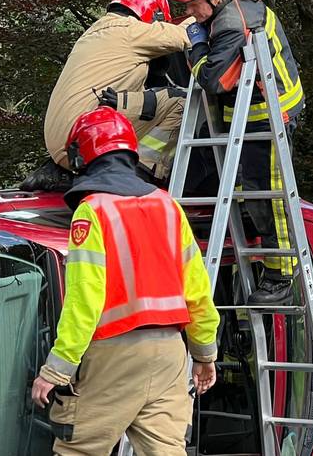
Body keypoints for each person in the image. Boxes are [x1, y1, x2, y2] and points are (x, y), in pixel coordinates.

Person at [30, 107, 220, 455]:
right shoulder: (168, 207)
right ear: (130, 152)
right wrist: (205, 353)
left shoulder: (93, 211)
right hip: (169, 356)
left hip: (113, 355)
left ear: (81, 157)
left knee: (79, 450)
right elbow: (197, 291)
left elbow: (83, 301)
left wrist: (56, 370)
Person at [170, 0, 306, 305]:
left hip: (269, 116)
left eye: (192, 5)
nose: (190, 13)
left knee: (268, 196)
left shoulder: (231, 21)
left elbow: (212, 79)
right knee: (255, 194)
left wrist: (196, 46)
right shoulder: (231, 7)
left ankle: (281, 278)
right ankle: (272, 268)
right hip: (254, 113)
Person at [30, 0, 197, 189]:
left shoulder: (94, 32)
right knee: (181, 102)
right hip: (88, 136)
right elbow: (185, 35)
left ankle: (68, 170)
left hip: (66, 144)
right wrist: (207, 13)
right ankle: (139, 172)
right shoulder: (130, 30)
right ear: (153, 14)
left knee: (139, 99)